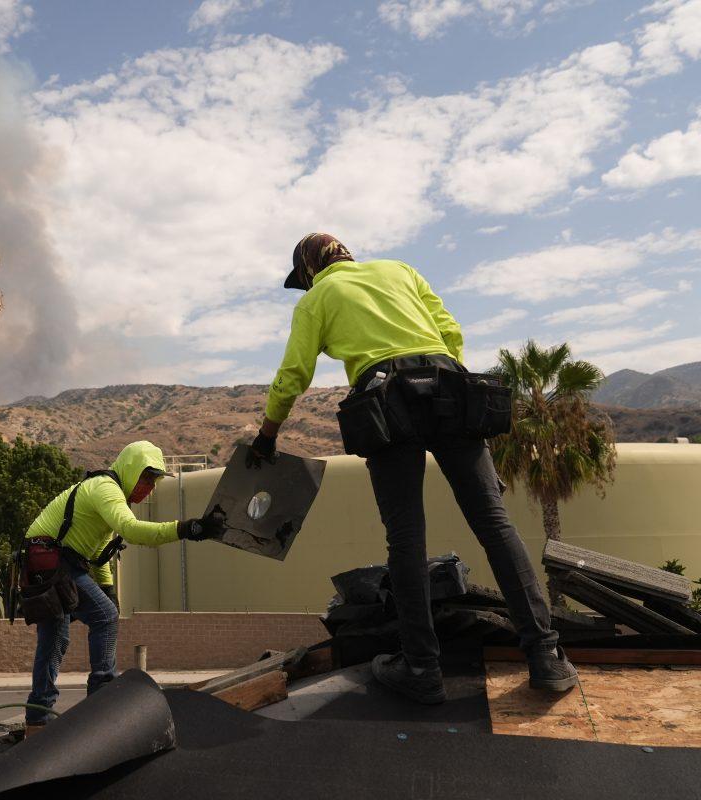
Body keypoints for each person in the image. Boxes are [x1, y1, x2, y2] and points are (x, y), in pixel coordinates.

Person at [246, 232, 577, 705]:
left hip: (385, 405)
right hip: (448, 385)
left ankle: (421, 667)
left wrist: (267, 434)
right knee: (494, 523)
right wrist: (453, 398)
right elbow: (451, 331)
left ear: (309, 270)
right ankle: (546, 657)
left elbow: (294, 374)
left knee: (406, 539)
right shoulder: (400, 270)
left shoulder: (316, 298)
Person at [23, 440, 223, 730]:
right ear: (130, 470)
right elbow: (132, 531)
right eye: (146, 478)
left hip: (45, 561)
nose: (149, 488)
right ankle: (102, 699)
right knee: (101, 617)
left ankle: (37, 719)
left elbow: (100, 551)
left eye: (154, 481)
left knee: (56, 638)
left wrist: (107, 590)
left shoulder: (107, 493)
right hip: (51, 560)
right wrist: (188, 528)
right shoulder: (105, 489)